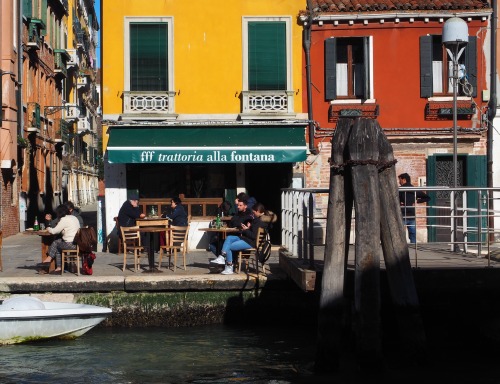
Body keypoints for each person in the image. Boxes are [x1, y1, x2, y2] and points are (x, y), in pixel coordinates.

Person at [210, 202, 273, 275]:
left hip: (251, 242)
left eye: (254, 212)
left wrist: (245, 230)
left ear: (258, 211)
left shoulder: (259, 222)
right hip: (248, 239)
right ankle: (222, 256)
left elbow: (253, 236)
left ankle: (229, 267)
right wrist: (248, 228)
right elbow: (254, 232)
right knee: (230, 237)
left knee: (229, 247)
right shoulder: (261, 220)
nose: (253, 214)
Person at [39, 204, 81, 274]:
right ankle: (53, 263)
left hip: (70, 244)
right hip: (77, 243)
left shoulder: (64, 219)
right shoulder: (74, 217)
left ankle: (52, 262)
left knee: (56, 244)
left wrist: (48, 228)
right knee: (57, 242)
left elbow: (54, 231)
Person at [398, 173, 431, 244]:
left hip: (403, 214)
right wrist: (417, 201)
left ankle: (402, 247)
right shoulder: (414, 189)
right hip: (412, 214)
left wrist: (401, 203)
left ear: (404, 180)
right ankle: (414, 247)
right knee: (412, 234)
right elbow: (428, 198)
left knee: (401, 234)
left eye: (400, 180)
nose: (399, 182)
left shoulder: (400, 189)